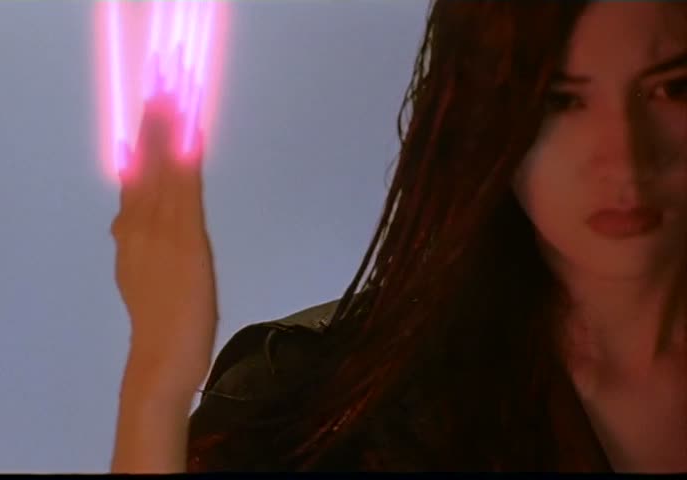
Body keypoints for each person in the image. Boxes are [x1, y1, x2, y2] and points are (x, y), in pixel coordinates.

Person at [109, 0, 687, 473]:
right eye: (560, 100)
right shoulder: (312, 397)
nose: (624, 159)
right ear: (483, 113)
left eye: (672, 89)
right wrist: (156, 390)